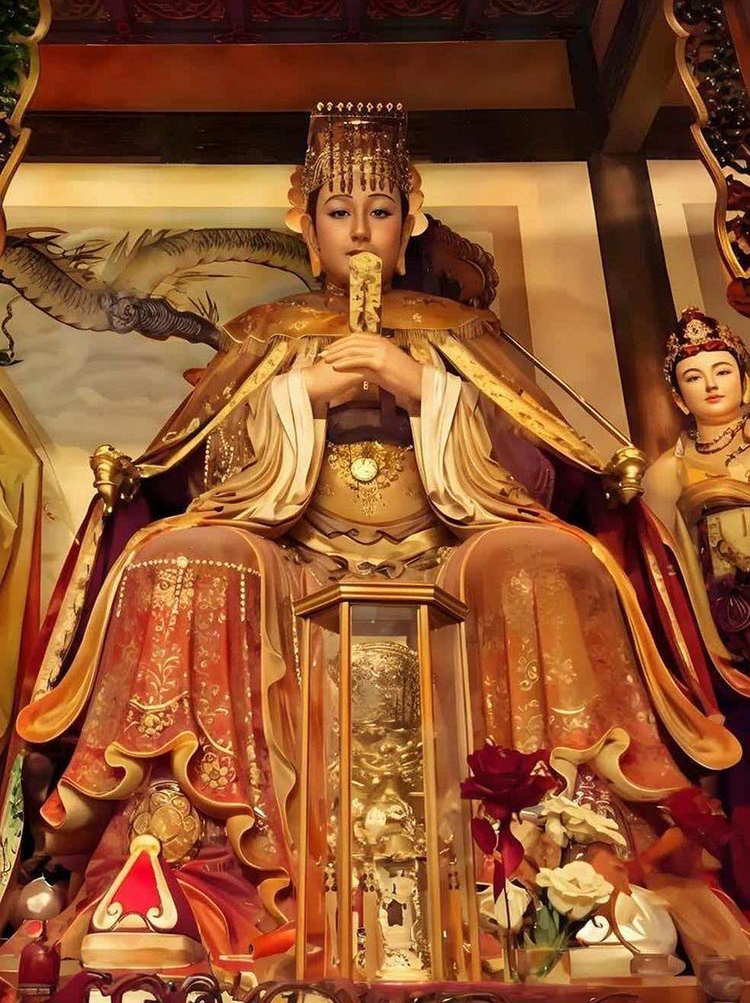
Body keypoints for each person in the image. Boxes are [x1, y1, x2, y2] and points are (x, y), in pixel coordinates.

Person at [10, 106, 739, 968]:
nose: (359, 230)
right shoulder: (266, 334)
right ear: (304, 222)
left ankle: (565, 849)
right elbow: (197, 477)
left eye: (380, 210)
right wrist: (298, 397)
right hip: (293, 552)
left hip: (445, 547)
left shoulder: (460, 333)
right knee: (183, 554)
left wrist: (430, 391)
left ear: (411, 219)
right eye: (338, 211)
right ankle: (195, 848)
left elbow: (540, 477)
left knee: (545, 557)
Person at [644, 307, 750, 903]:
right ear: (678, 397)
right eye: (693, 376)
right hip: (723, 642)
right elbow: (663, 572)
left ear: (744, 379)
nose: (710, 384)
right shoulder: (667, 474)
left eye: (723, 370)